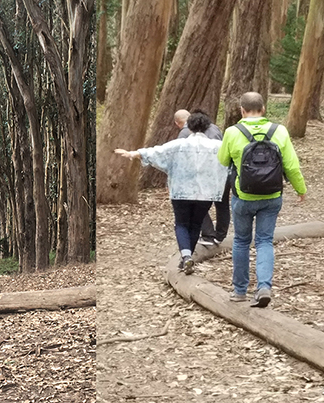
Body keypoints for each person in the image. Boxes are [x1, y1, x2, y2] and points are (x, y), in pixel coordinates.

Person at [217, 92, 306, 307]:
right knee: (265, 241)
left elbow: (222, 160)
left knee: (241, 241)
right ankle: (264, 286)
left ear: (242, 110)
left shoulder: (232, 131)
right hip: (272, 196)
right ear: (263, 109)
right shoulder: (280, 131)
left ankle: (239, 291)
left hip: (243, 196)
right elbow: (291, 166)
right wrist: (300, 190)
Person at [115, 112, 228, 275]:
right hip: (205, 193)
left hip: (181, 192)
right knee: (196, 224)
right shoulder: (217, 147)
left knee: (181, 224)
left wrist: (133, 153)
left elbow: (157, 152)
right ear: (206, 127)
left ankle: (186, 256)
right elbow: (230, 159)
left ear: (189, 127)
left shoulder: (179, 145)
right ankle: (188, 258)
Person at [176, 108, 230, 246]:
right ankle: (220, 235)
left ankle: (208, 235)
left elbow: (181, 153)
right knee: (222, 204)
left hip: (202, 174)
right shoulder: (215, 129)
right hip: (222, 171)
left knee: (197, 203)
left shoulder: (186, 132)